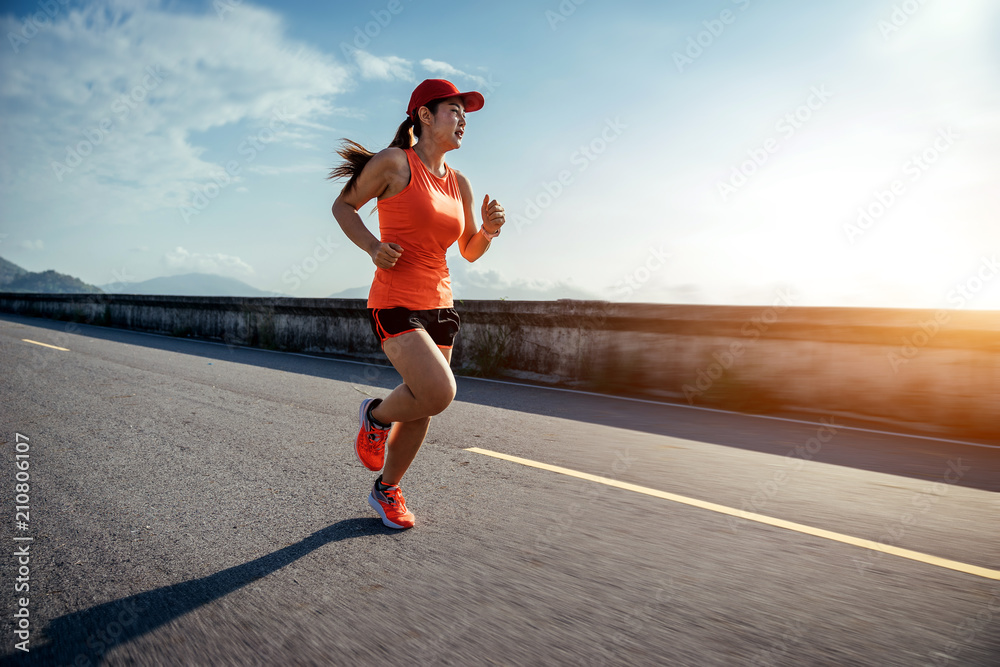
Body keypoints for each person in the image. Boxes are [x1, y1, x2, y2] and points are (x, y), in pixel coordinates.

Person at [329, 79, 505, 529]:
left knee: (426, 404)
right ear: (425, 116)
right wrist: (372, 247)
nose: (463, 119)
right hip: (395, 301)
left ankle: (386, 490)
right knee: (439, 392)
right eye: (454, 110)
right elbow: (343, 207)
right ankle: (375, 415)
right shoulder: (394, 163)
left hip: (441, 304)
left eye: (465, 113)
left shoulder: (459, 182)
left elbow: (467, 250)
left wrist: (486, 231)